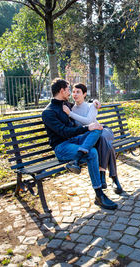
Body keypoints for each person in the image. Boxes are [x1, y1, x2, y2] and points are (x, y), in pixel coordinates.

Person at [42, 78, 117, 210]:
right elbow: (64, 132)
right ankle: (99, 194)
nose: (70, 93)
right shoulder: (49, 112)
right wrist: (87, 128)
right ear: (61, 91)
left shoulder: (65, 105)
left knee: (98, 129)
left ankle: (77, 157)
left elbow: (82, 103)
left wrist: (94, 102)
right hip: (62, 147)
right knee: (92, 152)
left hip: (75, 142)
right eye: (68, 90)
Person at [62, 83, 123, 194]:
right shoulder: (71, 107)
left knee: (103, 138)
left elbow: (89, 121)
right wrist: (70, 112)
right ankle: (113, 178)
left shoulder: (92, 106)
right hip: (91, 136)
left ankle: (103, 175)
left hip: (102, 130)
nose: (75, 94)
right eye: (74, 92)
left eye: (78, 92)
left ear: (84, 94)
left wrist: (70, 114)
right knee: (107, 145)